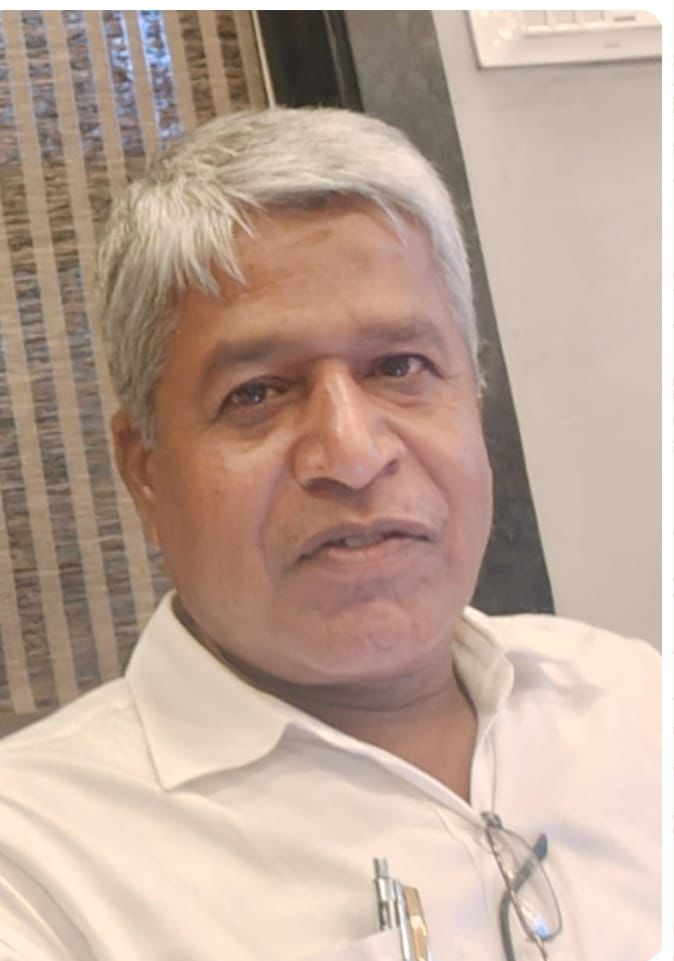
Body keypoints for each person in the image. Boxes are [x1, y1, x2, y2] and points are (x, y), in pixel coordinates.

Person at [0, 108, 659, 961]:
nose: (351, 453)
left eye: (399, 367)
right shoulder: (38, 866)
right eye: (256, 393)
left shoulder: (631, 700)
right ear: (146, 470)